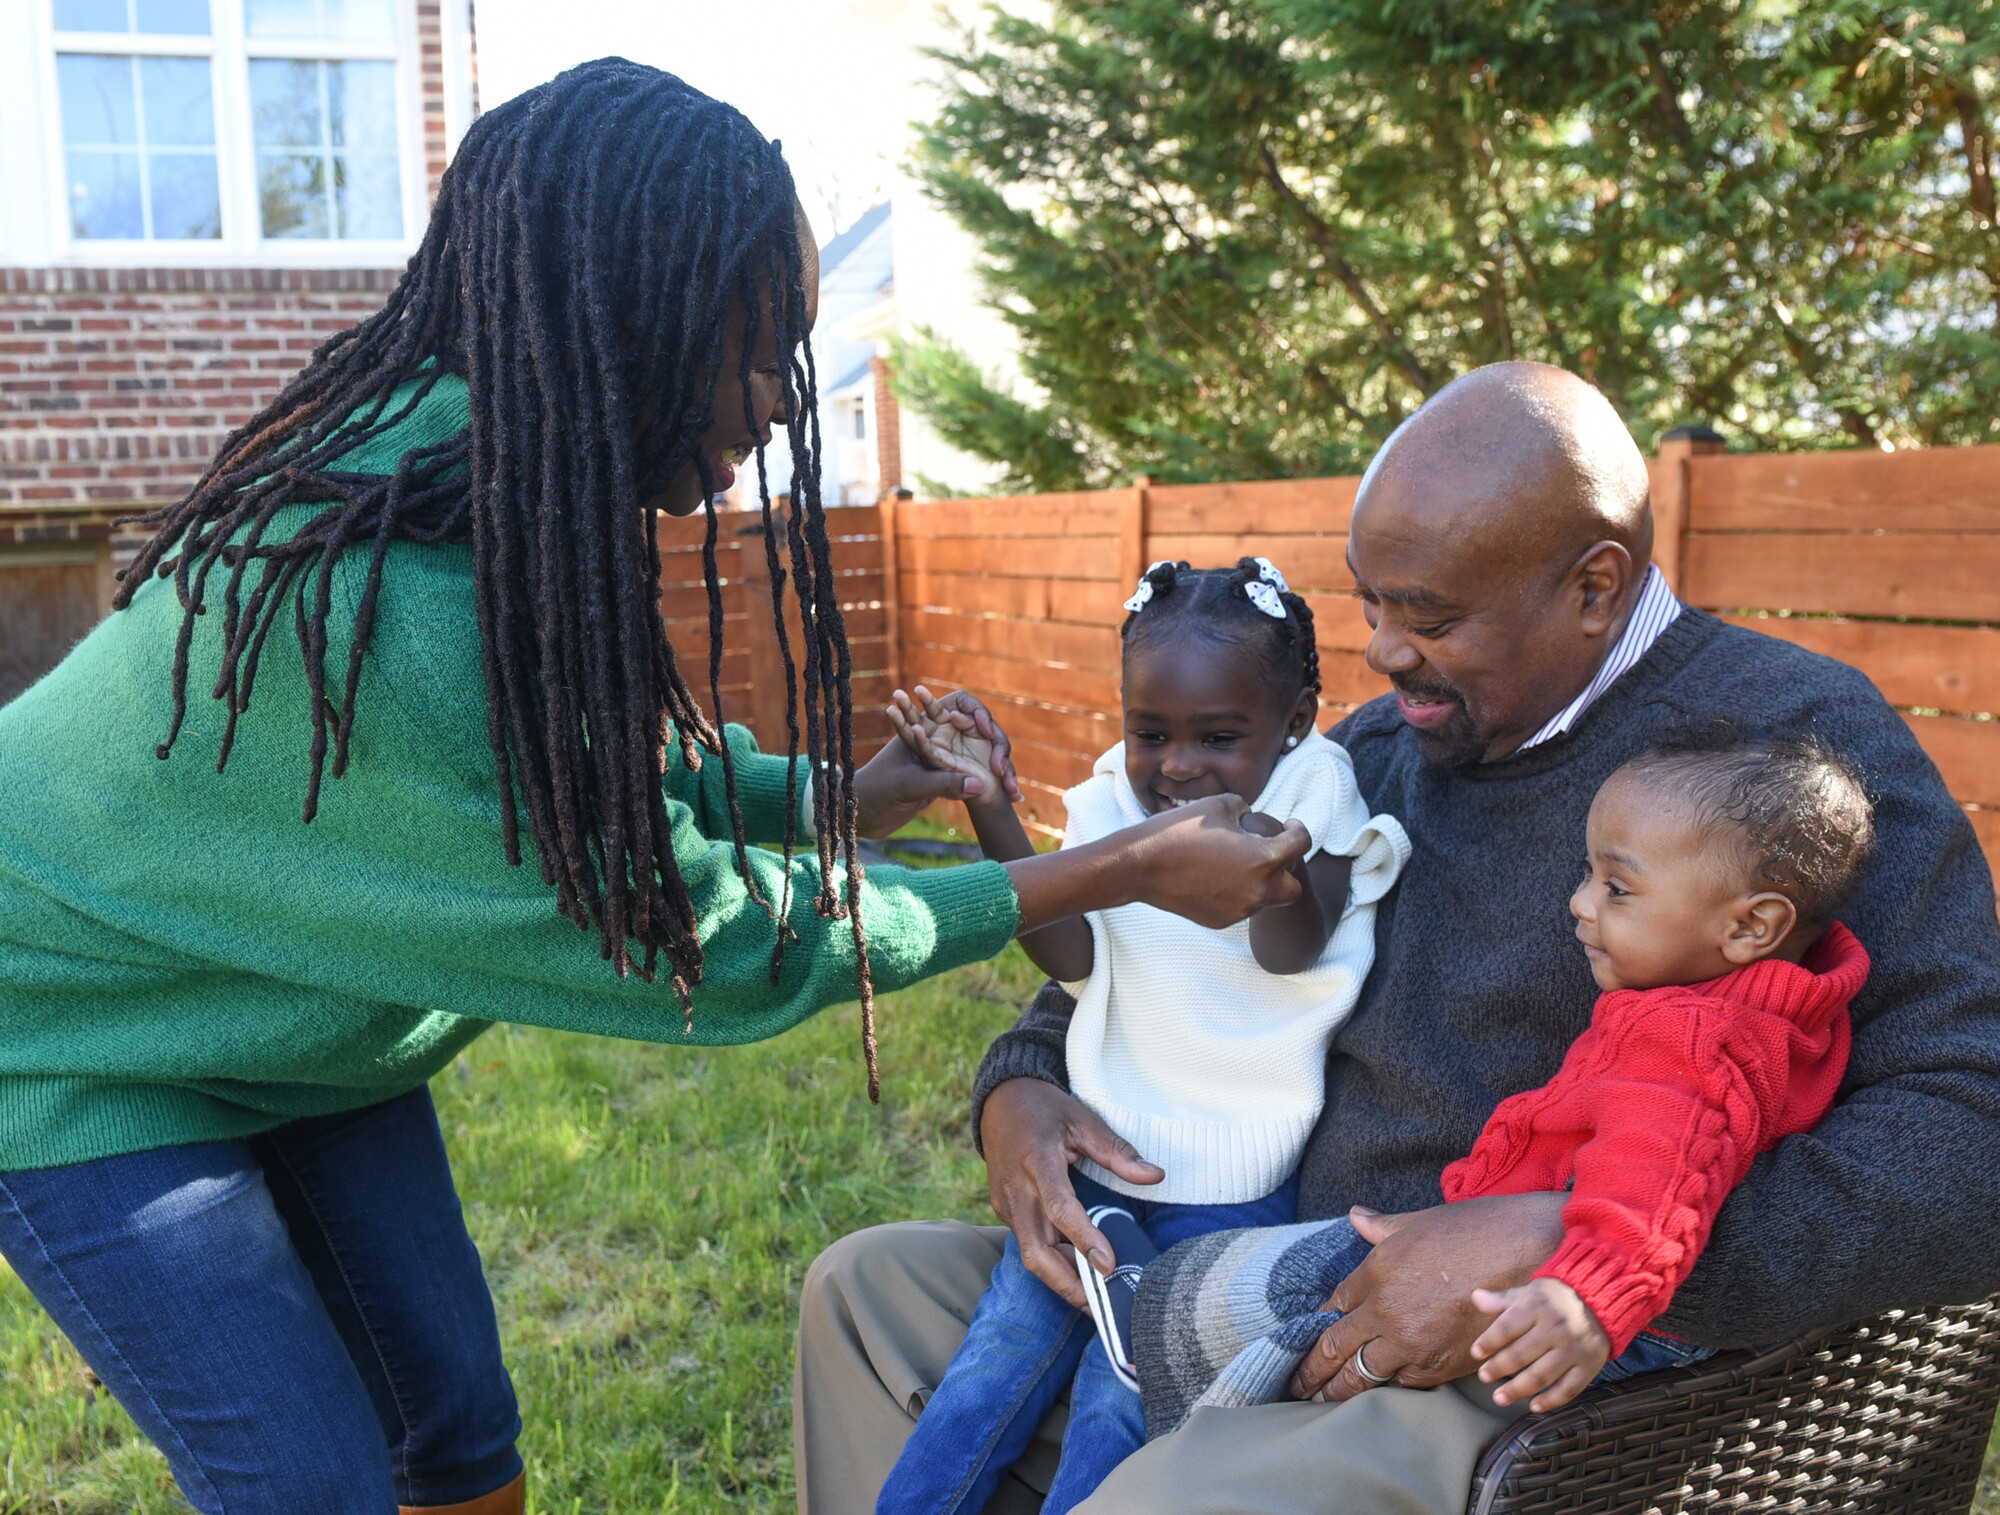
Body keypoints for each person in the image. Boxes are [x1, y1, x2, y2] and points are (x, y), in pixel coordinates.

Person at [0, 63, 1309, 1515]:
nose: (779, 399)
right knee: (310, 1484)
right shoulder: (394, 595)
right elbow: (717, 939)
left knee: (457, 1420)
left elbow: (594, 764)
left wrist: (845, 792)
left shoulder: (496, 469)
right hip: (71, 1031)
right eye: (756, 352)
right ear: (634, 314)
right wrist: (1110, 869)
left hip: (289, 1019)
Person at [792, 361, 2000, 1515]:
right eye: (1369, 604)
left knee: (1179, 1495)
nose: (1379, 652)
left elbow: (1967, 1134)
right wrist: (1022, 1087)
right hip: (1245, 1269)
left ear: (1592, 585)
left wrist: (1563, 1236)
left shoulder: (1785, 752)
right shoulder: (1367, 754)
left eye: (1426, 616)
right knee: (865, 1296)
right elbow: (1159, 958)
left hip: (1509, 1379)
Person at [1140, 728, 1872, 1440]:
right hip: (1588, 1293)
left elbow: (1654, 1187)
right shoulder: (1791, 1005)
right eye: (1589, 874)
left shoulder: (1689, 1041)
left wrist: (1583, 1298)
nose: (1581, 903)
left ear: (1753, 927)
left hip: (1553, 1307)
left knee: (1273, 1313)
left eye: (1617, 886)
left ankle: (1151, 1328)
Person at [872, 557, 1409, 1514]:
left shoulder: (1318, 784)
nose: (1177, 766)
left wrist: (1273, 857)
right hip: (1092, 1164)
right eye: (1149, 732)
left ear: (1293, 719)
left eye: (1218, 737)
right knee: (994, 1365)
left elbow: (1292, 953)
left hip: (1235, 1195)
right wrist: (990, 802)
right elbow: (1071, 954)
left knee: (1120, 1405)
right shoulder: (1112, 804)